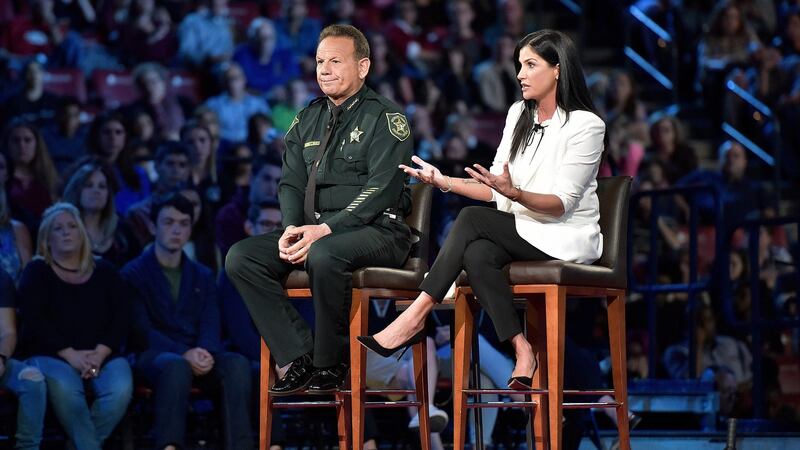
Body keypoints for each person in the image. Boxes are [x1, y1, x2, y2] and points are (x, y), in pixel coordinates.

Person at [359, 29, 606, 391]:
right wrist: (443, 181)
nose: (520, 74)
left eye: (530, 65)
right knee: (477, 253)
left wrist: (515, 193)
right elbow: (495, 190)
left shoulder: (586, 125)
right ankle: (522, 350)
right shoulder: (519, 113)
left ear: (557, 69)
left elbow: (560, 204)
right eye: (519, 65)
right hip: (522, 227)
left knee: (472, 220)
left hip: (565, 235)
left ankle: (416, 314)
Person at [225, 24, 413, 396]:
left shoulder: (386, 118)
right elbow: (290, 183)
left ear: (363, 67)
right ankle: (298, 357)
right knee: (241, 257)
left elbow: (380, 190)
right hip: (315, 231)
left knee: (325, 254)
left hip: (378, 231)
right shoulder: (306, 118)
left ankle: (332, 362)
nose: (324, 70)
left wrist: (326, 230)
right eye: (319, 61)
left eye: (335, 61)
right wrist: (292, 228)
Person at [122, 192, 253, 450]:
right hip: (154, 354)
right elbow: (140, 331)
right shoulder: (132, 274)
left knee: (236, 364)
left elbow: (210, 320)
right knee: (175, 366)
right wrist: (185, 353)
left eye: (183, 224)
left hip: (198, 353)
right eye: (168, 222)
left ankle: (241, 445)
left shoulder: (202, 274)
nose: (176, 230)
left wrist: (203, 351)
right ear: (153, 226)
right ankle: (170, 446)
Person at [19, 203, 133, 450]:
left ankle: (79, 445)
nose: (66, 232)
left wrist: (100, 353)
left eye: (72, 226)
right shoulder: (37, 271)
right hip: (52, 355)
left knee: (120, 388)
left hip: (102, 354)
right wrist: (69, 354)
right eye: (58, 229)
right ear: (47, 239)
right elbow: (34, 319)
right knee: (68, 391)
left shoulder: (105, 270)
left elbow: (122, 316)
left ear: (82, 233)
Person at [0, 269, 47, 450]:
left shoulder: (1, 278)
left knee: (32, 379)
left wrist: (1, 357)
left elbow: (8, 333)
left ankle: (27, 447)